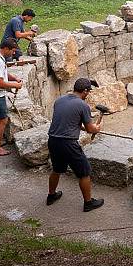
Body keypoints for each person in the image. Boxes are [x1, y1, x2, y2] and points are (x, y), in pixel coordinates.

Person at [47, 78, 105, 212]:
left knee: (57, 169)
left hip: (53, 140)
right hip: (68, 143)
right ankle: (88, 203)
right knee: (84, 172)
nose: (88, 94)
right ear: (84, 91)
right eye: (88, 91)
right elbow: (90, 129)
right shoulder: (82, 105)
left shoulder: (59, 100)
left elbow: (68, 120)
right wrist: (98, 127)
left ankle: (51, 195)